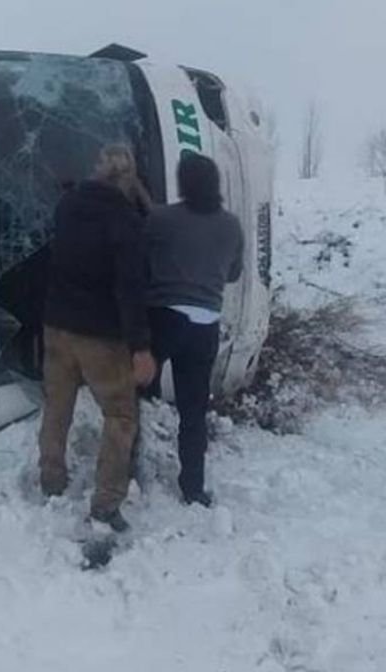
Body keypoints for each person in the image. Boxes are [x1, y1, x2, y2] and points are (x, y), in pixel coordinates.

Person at [38, 144, 157, 533]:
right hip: (101, 338)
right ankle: (106, 504)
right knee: (120, 416)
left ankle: (51, 481)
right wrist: (140, 348)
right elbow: (130, 289)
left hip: (56, 327)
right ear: (128, 180)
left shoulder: (67, 206)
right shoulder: (125, 222)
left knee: (57, 408)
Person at [142, 153, 244, 508]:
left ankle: (129, 471)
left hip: (164, 319)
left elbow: (140, 249)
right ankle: (193, 488)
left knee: (136, 395)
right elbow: (233, 273)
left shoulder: (163, 218)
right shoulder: (231, 225)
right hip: (205, 326)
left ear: (183, 183)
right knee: (193, 411)